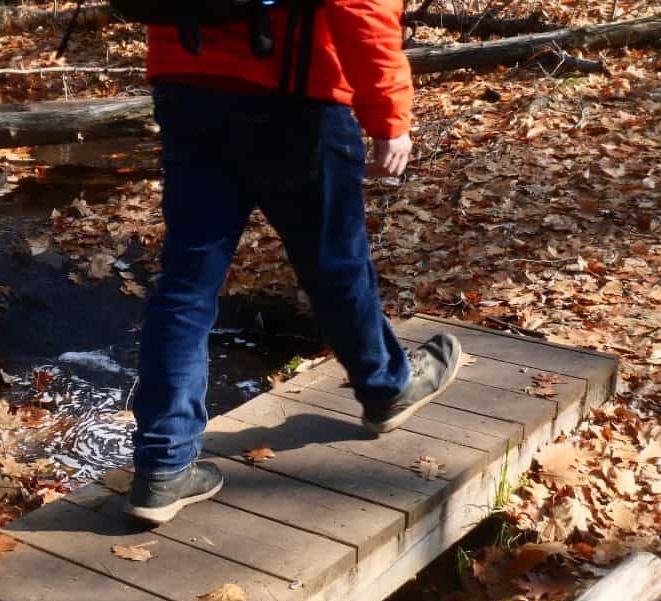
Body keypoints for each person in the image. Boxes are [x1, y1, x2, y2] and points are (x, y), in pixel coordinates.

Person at [125, 0, 462, 525]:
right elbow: (361, 5)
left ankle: (163, 466)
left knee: (186, 285)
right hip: (293, 97)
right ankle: (386, 387)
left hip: (186, 84)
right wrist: (390, 116)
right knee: (335, 263)